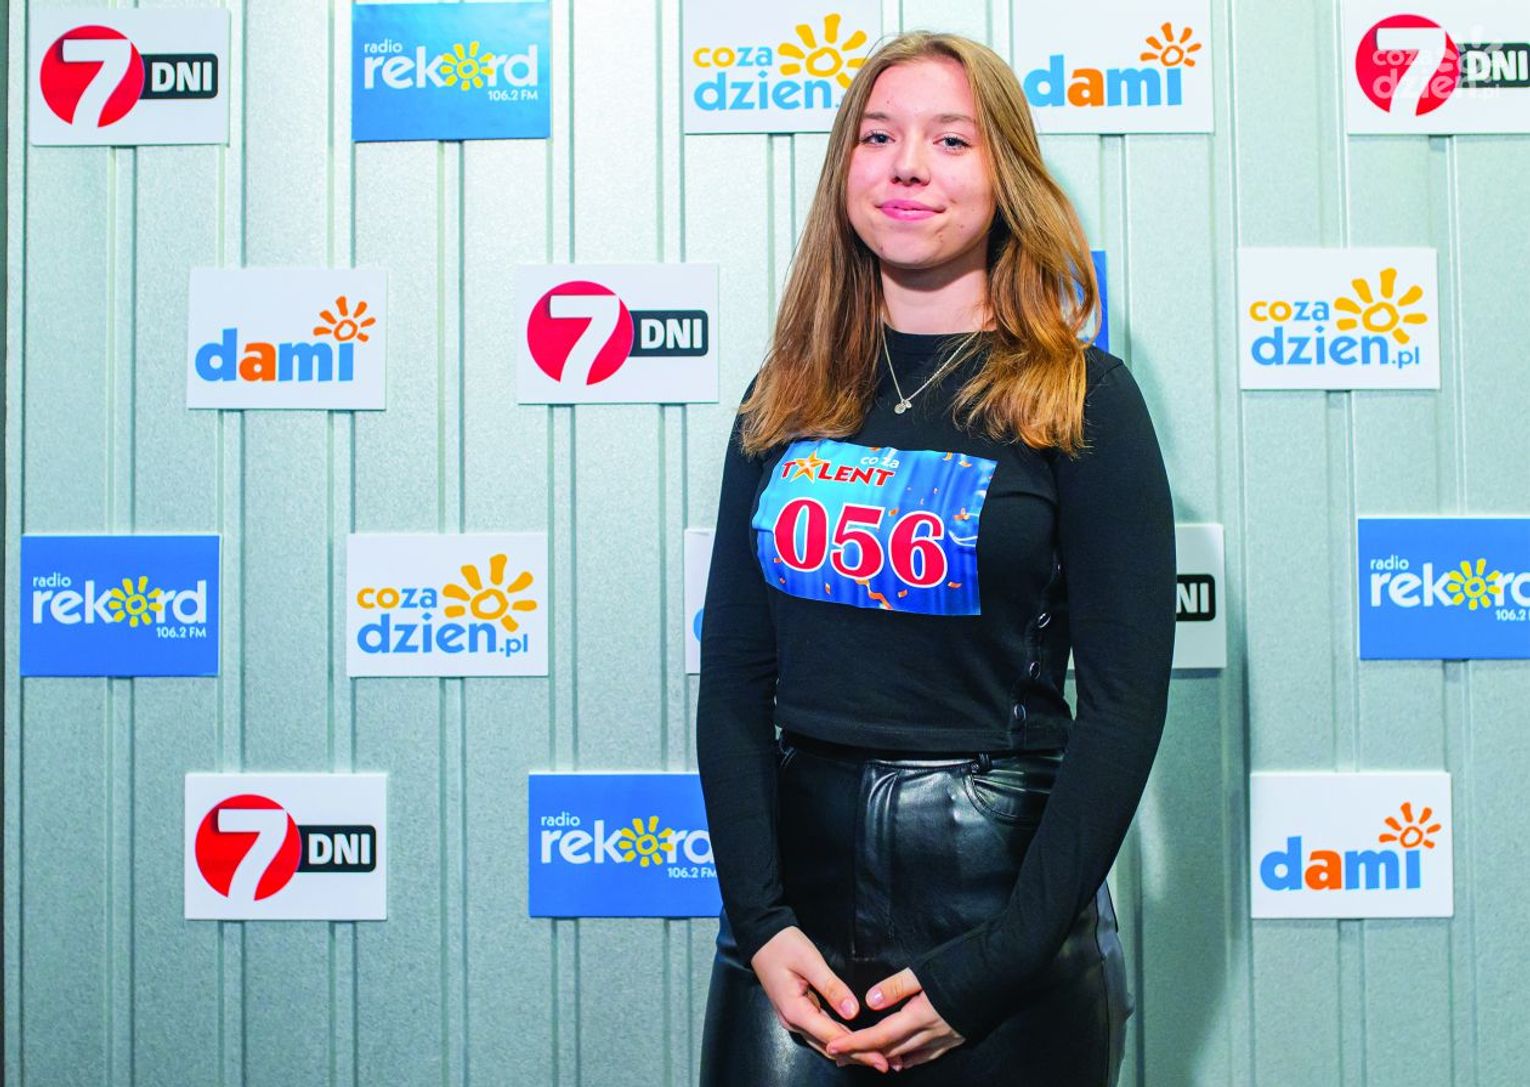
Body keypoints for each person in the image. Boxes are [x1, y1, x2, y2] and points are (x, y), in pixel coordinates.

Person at [695, 30, 1175, 1086]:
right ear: (846, 171)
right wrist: (761, 922)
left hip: (1003, 920)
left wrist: (999, 964)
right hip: (791, 935)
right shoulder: (783, 397)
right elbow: (731, 676)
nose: (908, 165)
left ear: (1007, 178)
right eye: (878, 137)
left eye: (951, 140)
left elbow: (1125, 705)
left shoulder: (1084, 400)